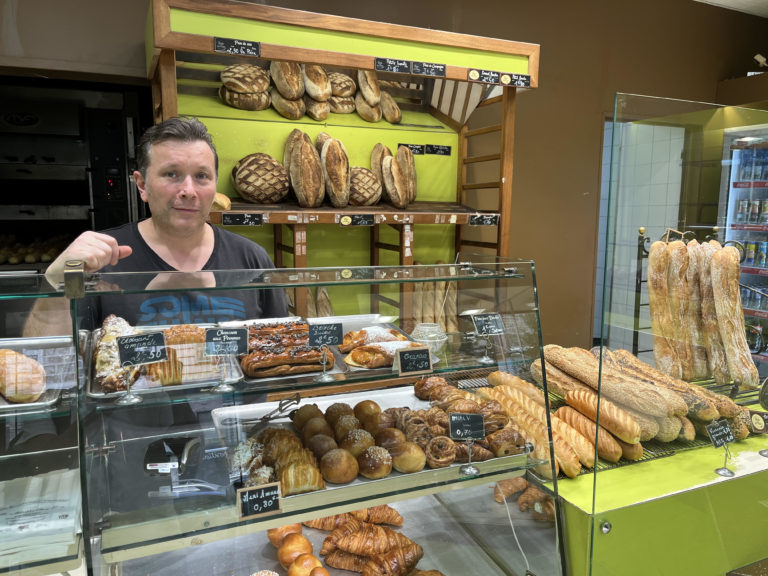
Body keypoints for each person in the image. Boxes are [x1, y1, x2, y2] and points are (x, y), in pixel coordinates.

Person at [25, 116, 287, 335]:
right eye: (171, 174)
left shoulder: (252, 258)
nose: (188, 190)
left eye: (202, 176)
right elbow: (51, 361)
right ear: (142, 185)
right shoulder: (101, 260)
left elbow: (281, 345)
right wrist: (58, 278)